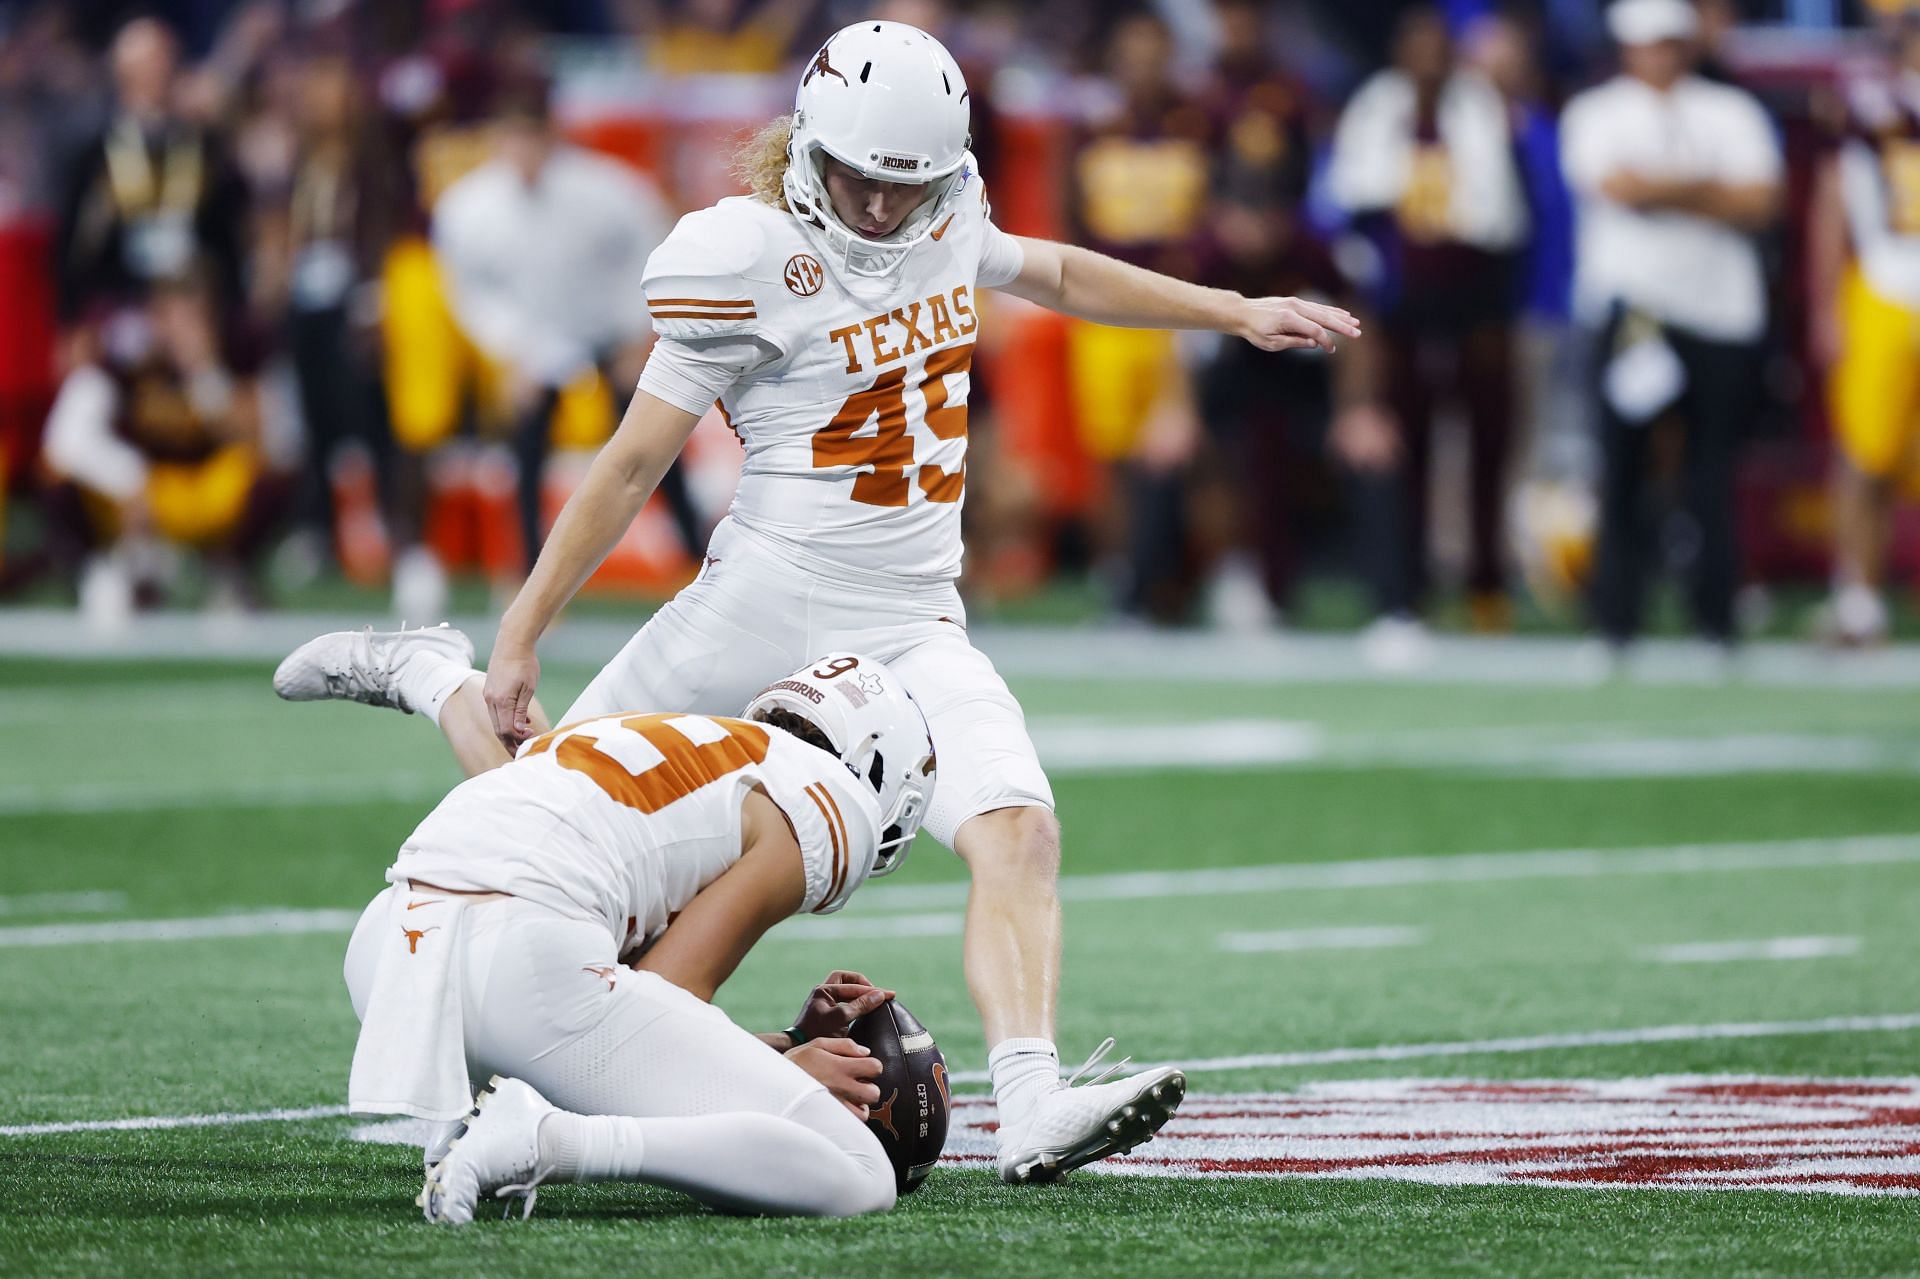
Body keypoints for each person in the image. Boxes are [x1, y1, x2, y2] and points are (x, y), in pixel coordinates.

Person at [277, 18, 1352, 1185]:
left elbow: (1049, 268)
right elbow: (632, 465)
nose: (884, 212)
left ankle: (1035, 1097)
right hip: (761, 597)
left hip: (912, 613)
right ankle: (434, 675)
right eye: (860, 181)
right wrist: (521, 629)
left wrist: (1231, 307)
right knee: (542, 799)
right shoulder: (745, 256)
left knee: (1020, 826)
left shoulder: (944, 206)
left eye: (907, 186)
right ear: (808, 146)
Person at [340, 653, 952, 1221]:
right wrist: (792, 1069)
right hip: (523, 965)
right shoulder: (831, 799)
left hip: (389, 954)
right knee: (862, 1173)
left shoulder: (678, 737)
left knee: (563, 1007)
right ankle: (545, 1141)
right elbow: (666, 987)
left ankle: (487, 1117)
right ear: (876, 768)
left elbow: (627, 1007)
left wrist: (789, 1041)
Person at [1560, 0, 1782, 655]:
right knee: (1624, 465)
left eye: (1668, 43)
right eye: (1646, 44)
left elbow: (1760, 201)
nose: (1658, 55)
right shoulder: (1597, 111)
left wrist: (1665, 189)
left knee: (1714, 468)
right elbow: (1616, 188)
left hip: (1721, 309)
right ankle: (1616, 621)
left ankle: (1716, 618)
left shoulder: (1729, 110)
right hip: (1637, 310)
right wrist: (1708, 190)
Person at [1326, 5, 1529, 654]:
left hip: (1473, 300)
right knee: (1398, 446)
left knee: (1487, 444)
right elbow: (1354, 215)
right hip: (1400, 307)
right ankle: (1403, 590)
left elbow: (1507, 217)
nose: (1431, 60)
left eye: (1440, 47)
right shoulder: (1374, 112)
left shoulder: (1484, 112)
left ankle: (1487, 587)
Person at [1810, 8, 1920, 646]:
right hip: (1886, 282)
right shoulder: (1868, 106)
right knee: (1864, 454)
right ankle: (1858, 600)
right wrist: (1827, 304)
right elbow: (1834, 202)